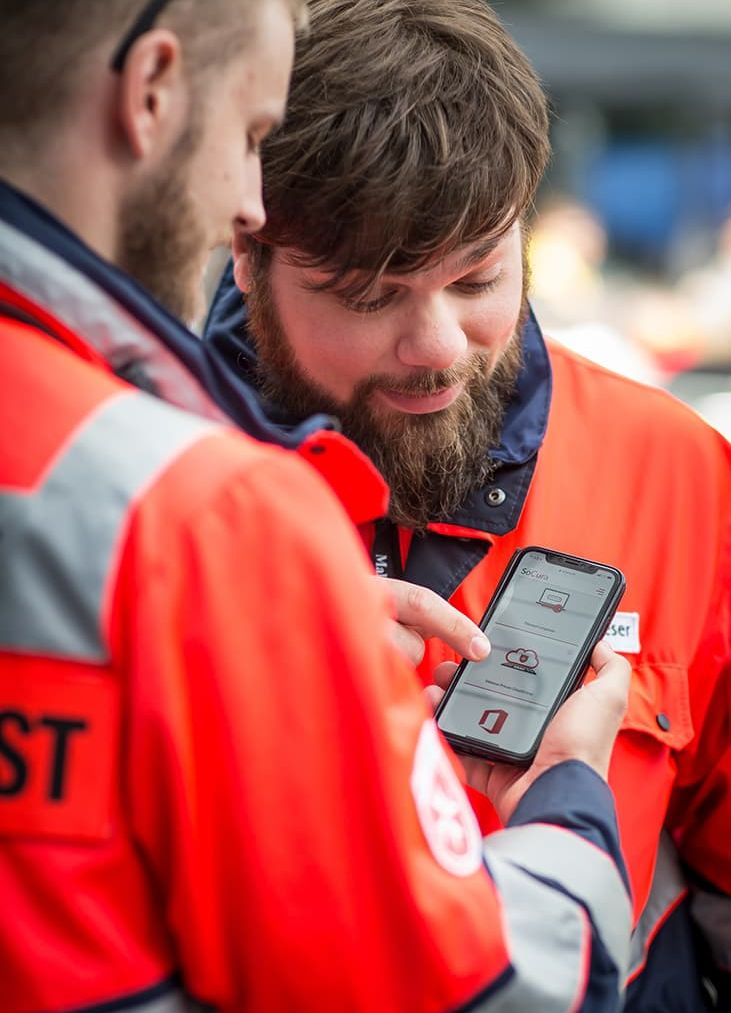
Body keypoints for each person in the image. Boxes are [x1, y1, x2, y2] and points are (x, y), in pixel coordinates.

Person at [0, 2, 635, 1011]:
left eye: (476, 275)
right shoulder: (209, 513)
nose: (247, 202)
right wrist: (566, 801)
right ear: (151, 91)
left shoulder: (677, 465)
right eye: (251, 134)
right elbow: (482, 985)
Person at [203, 1, 731, 1009]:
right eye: (368, 297)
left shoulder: (679, 471)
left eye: (478, 275)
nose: (437, 344)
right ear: (246, 254)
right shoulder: (146, 483)